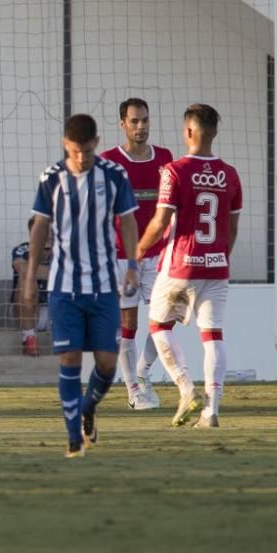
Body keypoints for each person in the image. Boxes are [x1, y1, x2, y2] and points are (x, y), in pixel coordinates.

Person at [26, 113, 140, 458]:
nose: (81, 158)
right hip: (64, 287)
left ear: (96, 144)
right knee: (70, 358)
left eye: (87, 151)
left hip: (104, 286)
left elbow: (129, 221)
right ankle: (73, 437)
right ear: (66, 145)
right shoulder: (51, 179)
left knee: (107, 363)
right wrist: (31, 275)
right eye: (75, 151)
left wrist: (132, 265)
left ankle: (88, 408)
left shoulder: (114, 175)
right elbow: (39, 229)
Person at [137, 103, 243, 429]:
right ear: (214, 133)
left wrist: (138, 249)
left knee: (158, 327)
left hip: (179, 266)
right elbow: (232, 229)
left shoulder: (174, 170)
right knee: (213, 337)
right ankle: (211, 412)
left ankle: (185, 388)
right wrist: (219, 257)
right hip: (216, 267)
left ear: (189, 131)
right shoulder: (230, 174)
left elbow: (160, 221)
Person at [99, 98, 173, 410]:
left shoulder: (166, 158)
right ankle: (133, 390)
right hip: (123, 257)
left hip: (158, 254)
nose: (140, 127)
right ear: (123, 124)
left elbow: (172, 204)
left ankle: (142, 372)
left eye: (144, 120)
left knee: (166, 318)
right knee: (129, 322)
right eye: (134, 121)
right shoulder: (108, 161)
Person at [11, 217, 52, 356]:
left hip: (56, 310)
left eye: (48, 230)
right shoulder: (22, 249)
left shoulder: (63, 250)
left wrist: (33, 270)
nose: (46, 234)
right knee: (26, 279)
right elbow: (22, 268)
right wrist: (55, 272)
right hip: (30, 311)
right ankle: (29, 337)